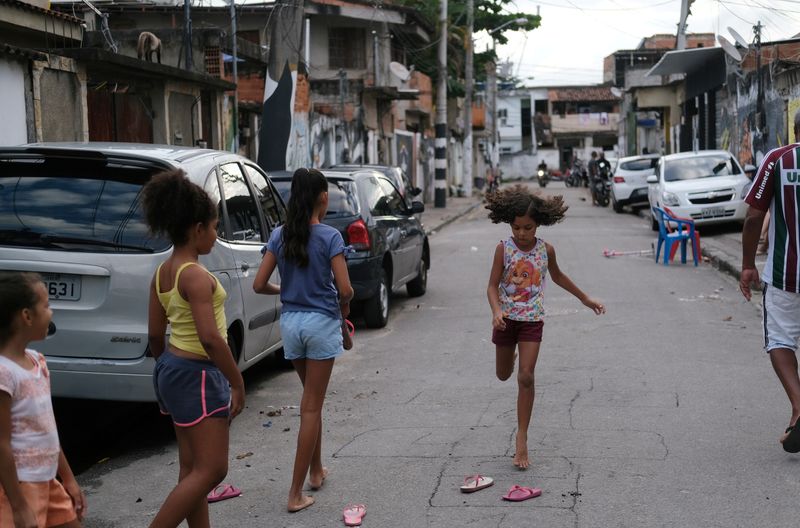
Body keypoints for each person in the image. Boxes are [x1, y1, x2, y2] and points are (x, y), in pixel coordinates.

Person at [141, 170, 245, 528]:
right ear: (196, 228)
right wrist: (236, 382)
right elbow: (211, 338)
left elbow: (155, 334)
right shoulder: (195, 275)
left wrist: (166, 368)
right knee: (213, 469)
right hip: (199, 375)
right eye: (215, 227)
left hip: (171, 368)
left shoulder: (162, 272)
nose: (217, 236)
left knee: (191, 468)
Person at [253, 168, 354, 512]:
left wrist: (287, 290)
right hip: (320, 323)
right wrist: (346, 306)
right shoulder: (330, 237)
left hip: (291, 325)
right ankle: (295, 493)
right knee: (310, 406)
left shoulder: (281, 235)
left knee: (312, 401)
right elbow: (345, 289)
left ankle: (316, 470)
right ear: (323, 198)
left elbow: (259, 284)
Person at [485, 185, 605, 469]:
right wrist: (496, 310)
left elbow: (559, 277)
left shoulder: (545, 250)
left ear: (538, 224)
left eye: (527, 227)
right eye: (516, 227)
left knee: (526, 376)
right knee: (503, 375)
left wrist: (586, 299)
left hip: (531, 321)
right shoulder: (503, 249)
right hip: (506, 320)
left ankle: (522, 437)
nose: (522, 233)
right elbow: (491, 286)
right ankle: (510, 357)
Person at [0, 272, 86, 528]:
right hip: (20, 487)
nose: (51, 312)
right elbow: (1, 443)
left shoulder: (37, 362)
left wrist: (68, 478)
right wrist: (18, 506)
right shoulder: (4, 373)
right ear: (26, 316)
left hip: (48, 480)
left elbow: (47, 427)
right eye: (46, 306)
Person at [740, 110, 800, 453]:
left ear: (794, 129)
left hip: (785, 274)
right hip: (784, 275)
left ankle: (797, 407)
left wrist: (748, 264)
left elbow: (753, 218)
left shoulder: (778, 159)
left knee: (779, 339)